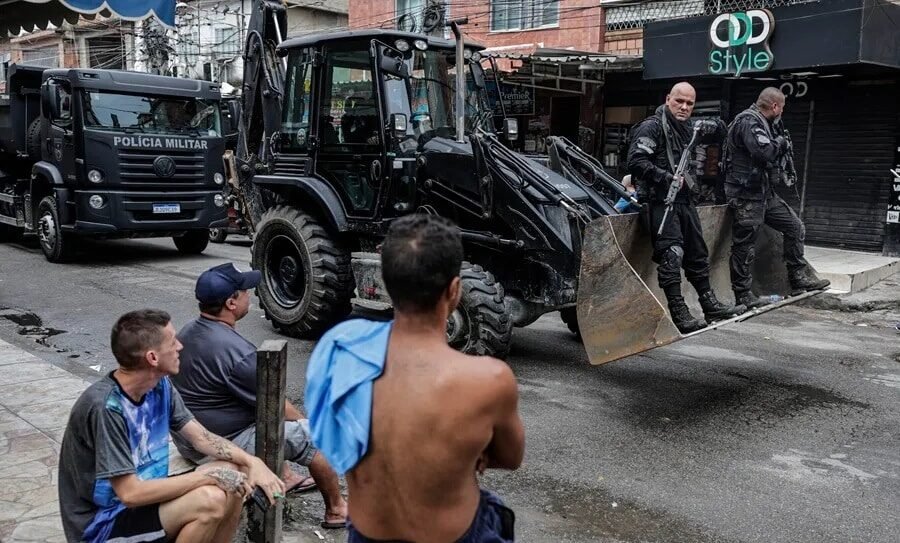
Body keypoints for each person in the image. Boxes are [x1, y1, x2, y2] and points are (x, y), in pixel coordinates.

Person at [305, 214, 524, 542]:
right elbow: (510, 457)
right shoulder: (490, 380)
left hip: (368, 533)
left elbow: (332, 435)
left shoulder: (340, 353)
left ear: (387, 286)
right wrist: (463, 448)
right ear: (454, 291)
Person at [58, 309, 284, 543]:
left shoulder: (160, 385)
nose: (180, 347)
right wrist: (209, 477)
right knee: (210, 499)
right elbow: (130, 494)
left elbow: (201, 438)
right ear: (153, 358)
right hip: (102, 524)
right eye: (172, 341)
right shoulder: (107, 407)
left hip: (147, 503)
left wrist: (252, 461)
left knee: (234, 471)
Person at [171, 263, 349, 529]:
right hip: (219, 443)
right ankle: (337, 511)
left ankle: (286, 476)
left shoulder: (188, 331)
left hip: (191, 437)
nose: (249, 295)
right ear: (231, 302)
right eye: (245, 291)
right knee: (313, 438)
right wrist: (305, 427)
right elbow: (275, 404)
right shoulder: (237, 354)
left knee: (263, 415)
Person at [627, 81, 746, 333]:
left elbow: (722, 130)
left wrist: (715, 125)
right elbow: (636, 162)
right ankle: (679, 312)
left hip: (684, 201)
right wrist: (665, 177)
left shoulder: (689, 127)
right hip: (660, 202)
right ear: (668, 98)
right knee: (672, 255)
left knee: (697, 254)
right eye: (679, 101)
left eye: (689, 103)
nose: (683, 107)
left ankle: (709, 305)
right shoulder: (652, 127)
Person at [723, 87, 830, 308]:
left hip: (763, 193)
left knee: (794, 227)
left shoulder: (766, 124)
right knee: (745, 246)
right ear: (775, 106)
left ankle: (798, 278)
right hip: (746, 196)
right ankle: (742, 294)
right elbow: (765, 152)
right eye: (782, 107)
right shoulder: (748, 122)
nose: (782, 111)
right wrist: (780, 143)